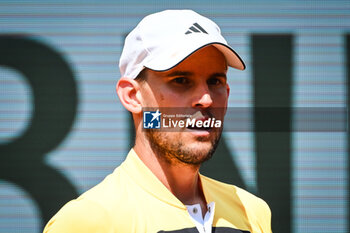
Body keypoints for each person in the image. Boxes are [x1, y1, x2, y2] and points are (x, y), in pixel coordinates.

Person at [43, 9, 272, 233]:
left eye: (215, 81)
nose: (206, 99)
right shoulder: (86, 222)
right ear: (132, 96)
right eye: (181, 80)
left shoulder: (252, 212)